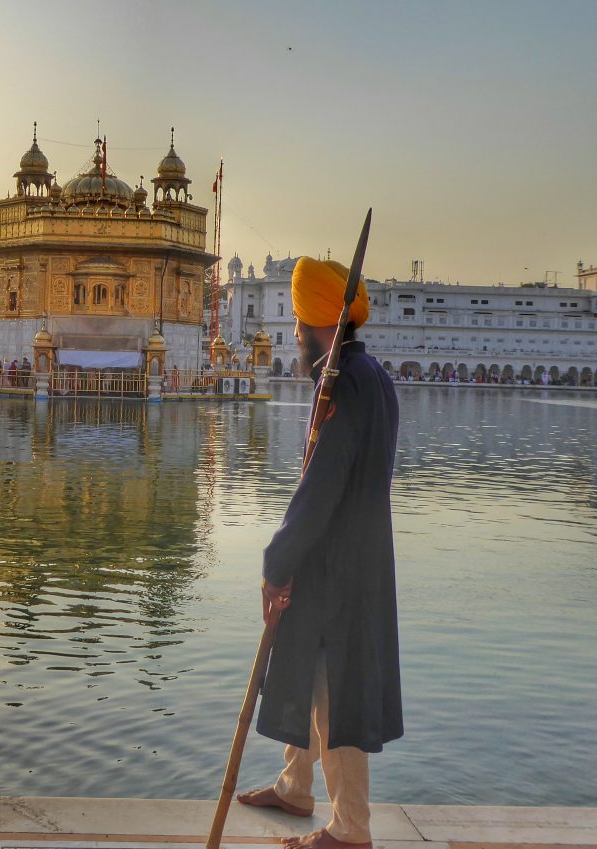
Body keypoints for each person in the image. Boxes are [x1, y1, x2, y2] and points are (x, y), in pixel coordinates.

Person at [236, 257, 402, 849]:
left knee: (334, 690)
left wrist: (276, 562)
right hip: (349, 555)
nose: (297, 338)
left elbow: (324, 482)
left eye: (301, 327)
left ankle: (350, 828)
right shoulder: (369, 376)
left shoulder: (349, 384)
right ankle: (295, 787)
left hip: (338, 564)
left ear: (314, 328)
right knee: (307, 670)